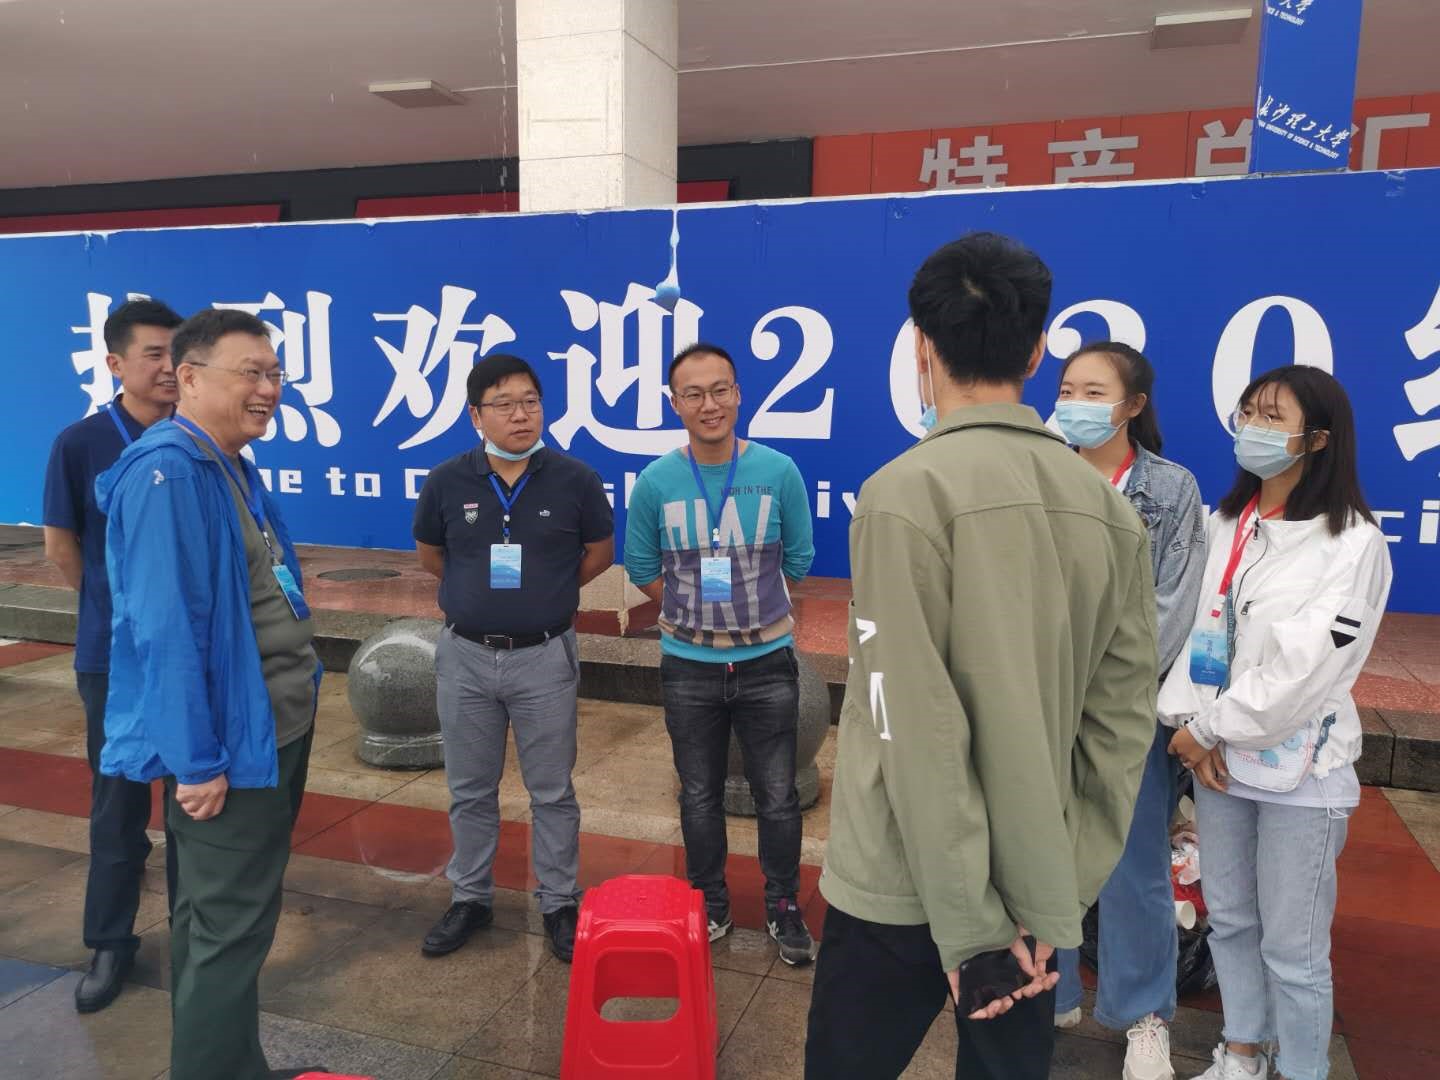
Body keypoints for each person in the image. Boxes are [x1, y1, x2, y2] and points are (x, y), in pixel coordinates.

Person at [805, 232, 1160, 1080]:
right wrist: (1057, 891)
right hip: (1036, 891)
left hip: (899, 883)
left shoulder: (902, 495)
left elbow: (908, 721)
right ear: (1036, 353)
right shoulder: (1109, 512)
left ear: (921, 348)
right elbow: (1122, 726)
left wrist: (971, 930)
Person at [96, 308, 324, 1080]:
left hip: (269, 725)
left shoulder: (226, 463)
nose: (269, 389)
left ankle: (230, 1065)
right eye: (250, 373)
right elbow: (163, 630)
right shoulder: (168, 474)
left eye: (275, 374)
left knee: (216, 919)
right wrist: (196, 761)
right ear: (189, 378)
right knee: (230, 924)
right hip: (233, 743)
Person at [1159, 367, 1391, 1080]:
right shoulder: (1226, 523)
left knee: (1294, 947)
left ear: (1317, 440)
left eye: (1272, 418)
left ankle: (1301, 1068)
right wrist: (1193, 727)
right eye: (1248, 413)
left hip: (1302, 773)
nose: (1253, 429)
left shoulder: (1352, 543)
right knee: (1231, 921)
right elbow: (1196, 635)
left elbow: (1306, 668)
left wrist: (1210, 728)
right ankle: (1242, 1051)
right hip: (1219, 762)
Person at [413, 354, 614, 963]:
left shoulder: (575, 479)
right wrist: (478, 600)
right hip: (466, 657)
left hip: (544, 657)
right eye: (504, 404)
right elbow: (432, 556)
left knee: (552, 790)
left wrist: (547, 596)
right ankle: (470, 897)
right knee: (469, 788)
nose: (521, 414)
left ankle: (558, 902)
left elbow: (599, 552)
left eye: (530, 401)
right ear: (476, 415)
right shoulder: (447, 480)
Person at [624, 342, 817, 965]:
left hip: (767, 663)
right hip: (688, 665)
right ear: (675, 403)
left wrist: (749, 606)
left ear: (737, 394)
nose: (709, 404)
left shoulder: (778, 471)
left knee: (778, 796)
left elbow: (799, 559)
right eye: (694, 393)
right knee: (699, 795)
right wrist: (690, 610)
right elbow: (641, 565)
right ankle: (710, 901)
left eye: (720, 390)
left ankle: (783, 904)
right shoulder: (656, 481)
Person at [1051, 342, 1208, 1080]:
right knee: (1038, 847)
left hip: (1127, 708)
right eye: (1067, 389)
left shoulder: (1171, 489)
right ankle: (1048, 993)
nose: (1075, 403)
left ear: (1133, 405)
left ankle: (1144, 1016)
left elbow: (1173, 605)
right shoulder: (1039, 470)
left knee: (1135, 862)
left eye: (1094, 391)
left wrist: (1108, 684)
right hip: (1042, 700)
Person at [41, 297, 183, 1014]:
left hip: (191, 656)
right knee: (118, 801)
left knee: (196, 800)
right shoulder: (82, 442)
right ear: (115, 363)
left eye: (176, 353)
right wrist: (115, 608)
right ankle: (109, 942)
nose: (168, 368)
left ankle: (197, 935)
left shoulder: (200, 436)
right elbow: (61, 547)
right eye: (153, 354)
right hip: (113, 657)